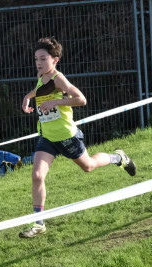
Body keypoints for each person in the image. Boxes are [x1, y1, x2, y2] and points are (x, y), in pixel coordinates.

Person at [19, 37, 136, 238]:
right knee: (37, 176)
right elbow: (40, 89)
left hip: (67, 136)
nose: (38, 63)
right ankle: (38, 223)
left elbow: (81, 99)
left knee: (88, 166)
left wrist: (56, 101)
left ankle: (118, 158)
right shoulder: (42, 75)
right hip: (47, 137)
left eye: (43, 59)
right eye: (36, 58)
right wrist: (28, 97)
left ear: (55, 60)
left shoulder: (58, 78)